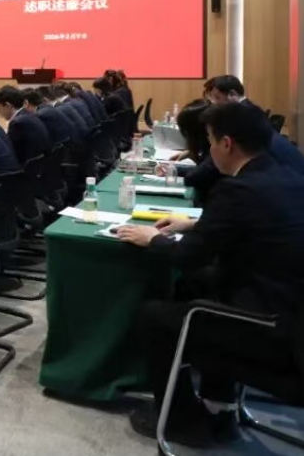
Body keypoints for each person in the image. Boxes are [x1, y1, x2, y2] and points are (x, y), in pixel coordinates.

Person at [115, 103, 304, 447]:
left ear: (227, 144)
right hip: (288, 307)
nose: (209, 150)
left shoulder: (237, 190)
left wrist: (153, 238)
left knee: (154, 317)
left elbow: (187, 256)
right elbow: (256, 225)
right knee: (194, 285)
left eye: (211, 141)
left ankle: (181, 423)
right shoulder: (287, 177)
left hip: (271, 330)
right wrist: (193, 223)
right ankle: (219, 403)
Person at [0, 86, 52, 164]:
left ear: (8, 105)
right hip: (43, 164)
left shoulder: (17, 122)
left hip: (30, 167)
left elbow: (11, 151)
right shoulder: (28, 115)